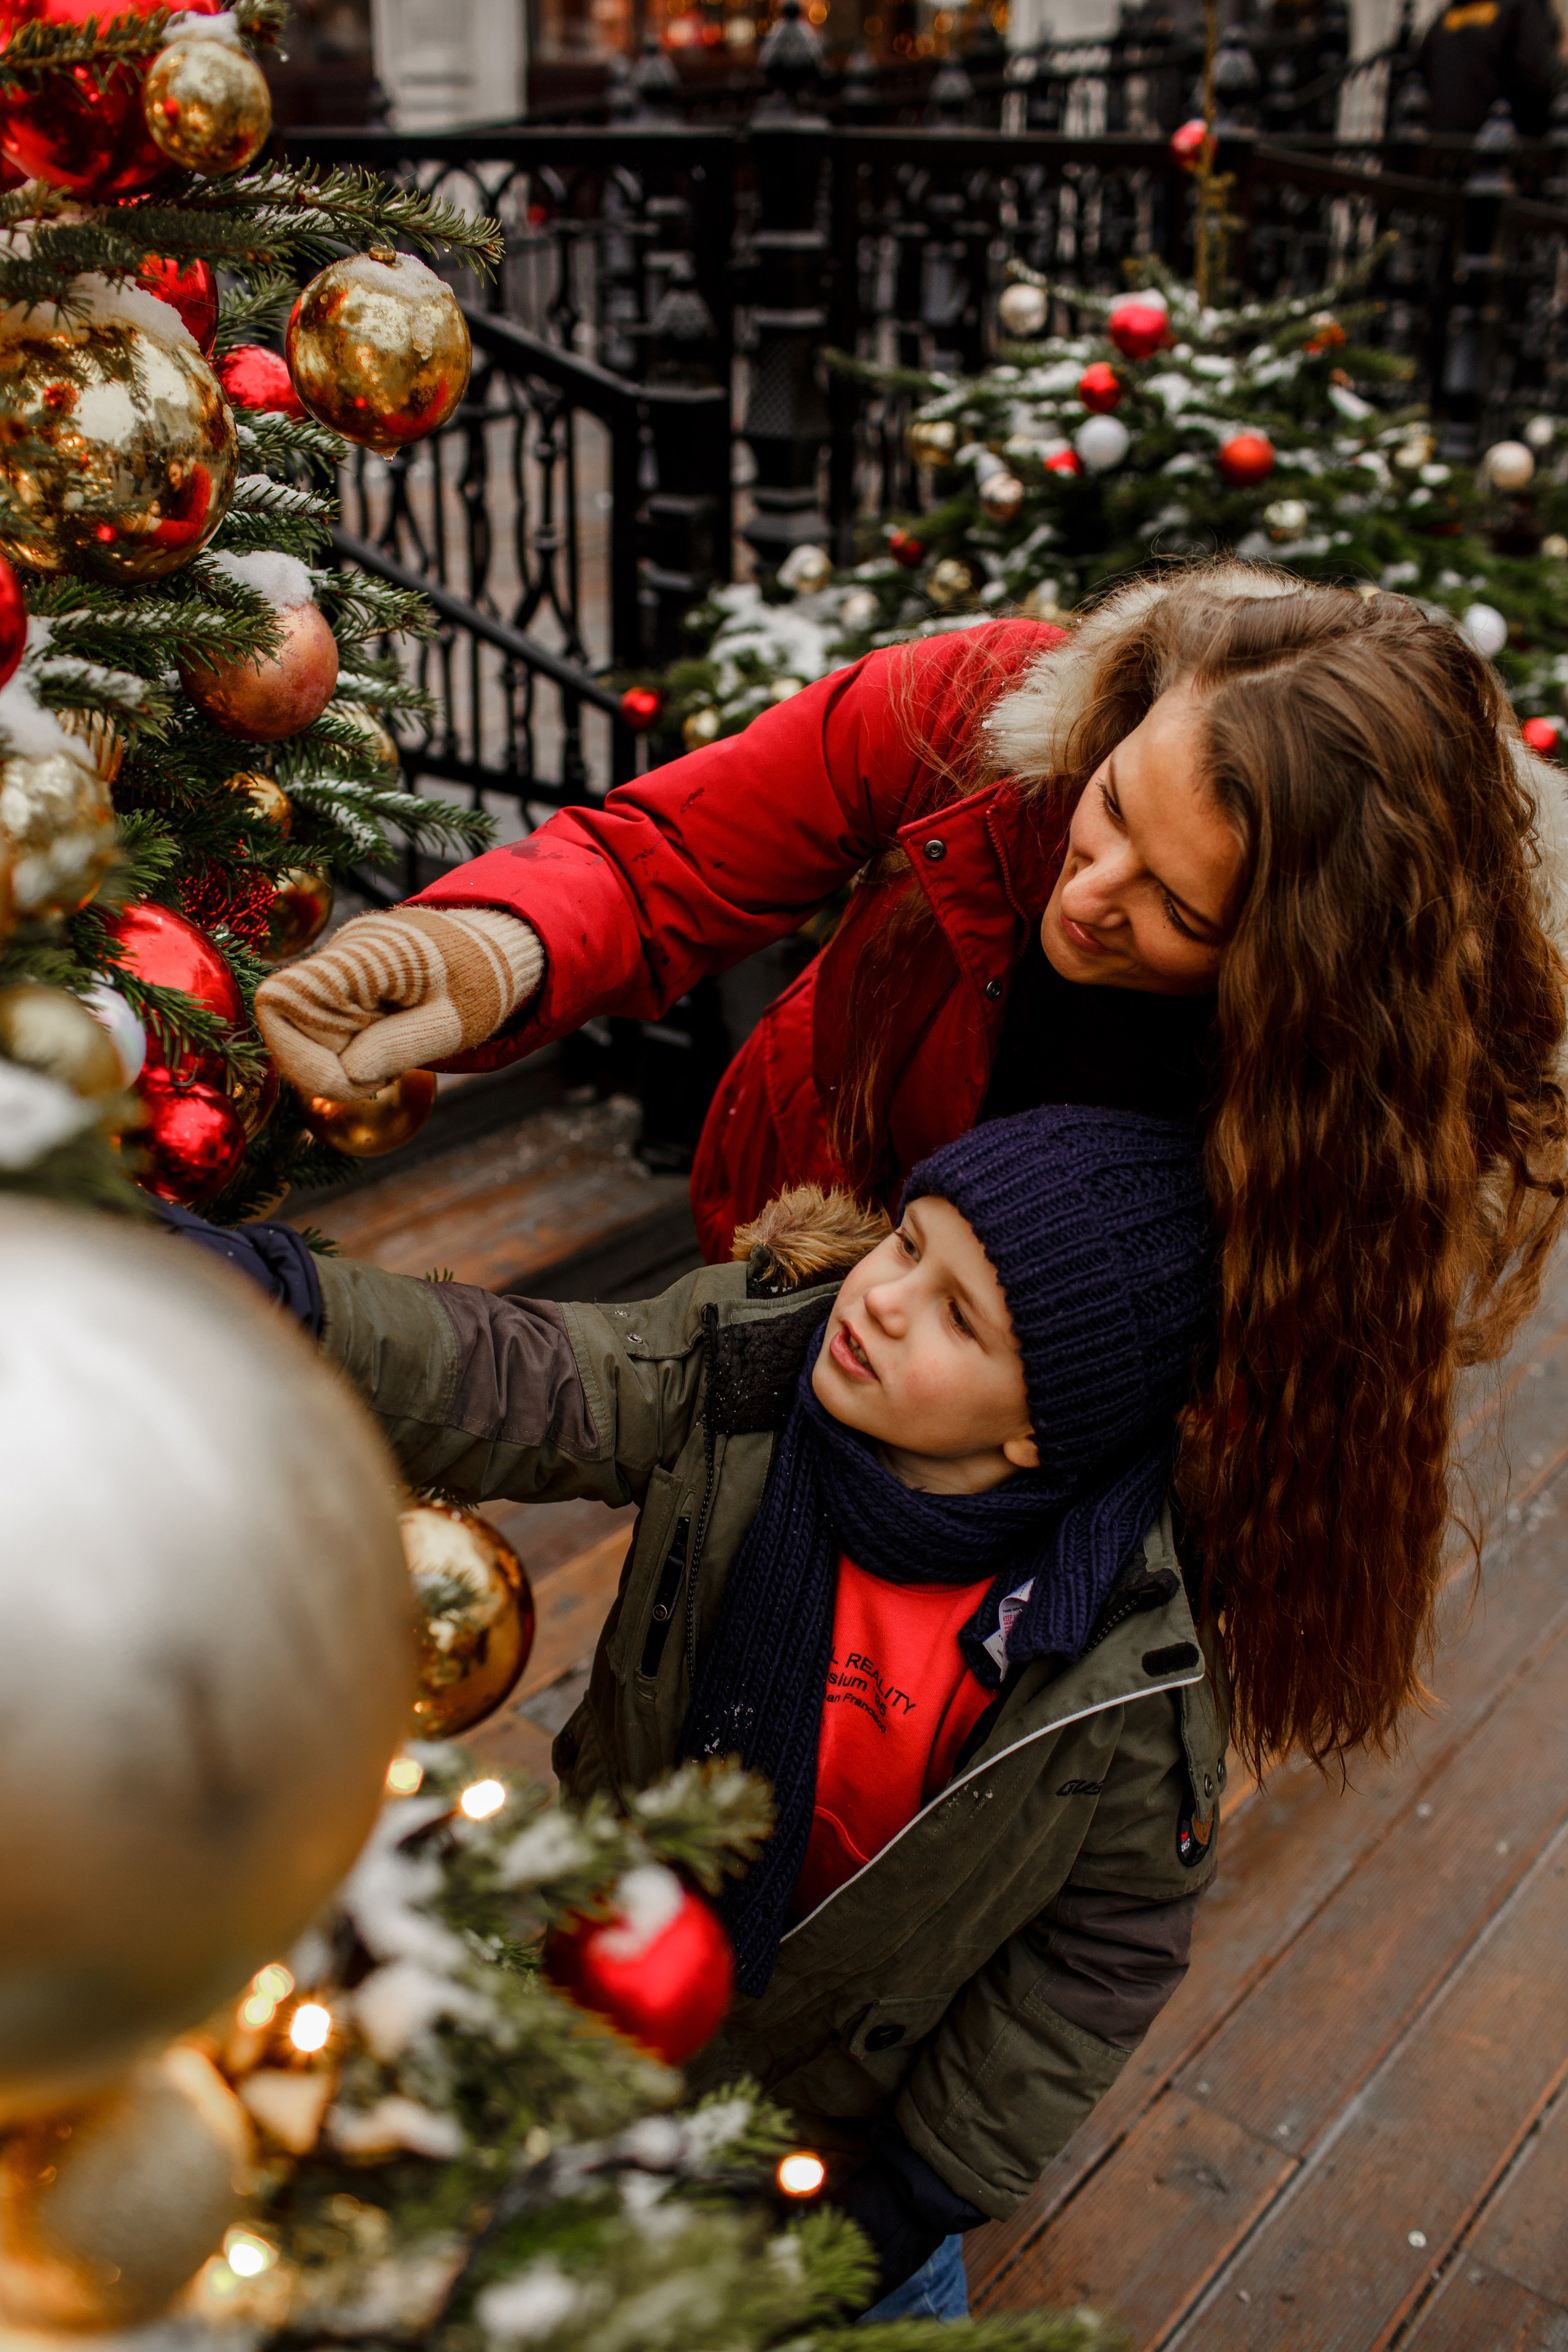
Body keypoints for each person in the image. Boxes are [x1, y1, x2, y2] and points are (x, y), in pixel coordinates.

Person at [255, 564, 1568, 1777]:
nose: (1085, 894)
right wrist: (493, 950)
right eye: (1106, 805)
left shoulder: (1368, 1100)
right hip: (808, 1241)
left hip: (1033, 1447)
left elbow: (1266, 1380)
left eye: (1177, 910)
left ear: (1301, 975)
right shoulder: (976, 710)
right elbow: (667, 857)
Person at [285, 1102, 1224, 2319]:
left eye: (956, 1318)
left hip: (842, 2129)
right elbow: (520, 1374)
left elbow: (1101, 1947)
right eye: (904, 1246)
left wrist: (924, 2185)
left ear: (1038, 1428)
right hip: (604, 1987)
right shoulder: (744, 1375)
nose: (883, 1299)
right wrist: (293, 1304)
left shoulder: (1112, 1663)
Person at [1416, 0, 1561, 137]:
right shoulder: (1523, 7)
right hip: (1504, 150)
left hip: (1442, 150)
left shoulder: (1447, 17)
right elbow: (1538, 80)